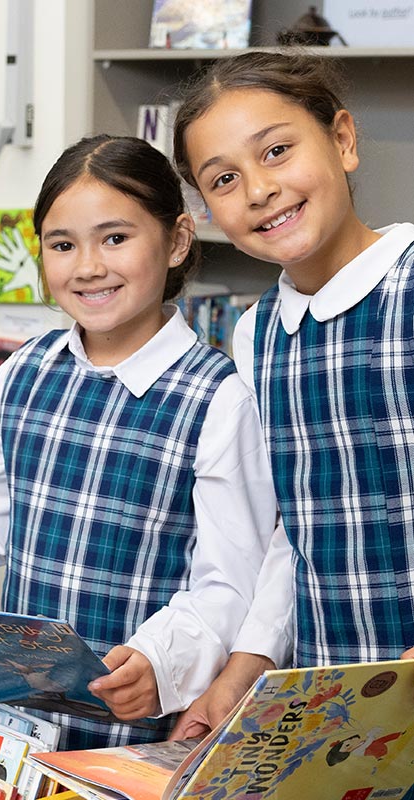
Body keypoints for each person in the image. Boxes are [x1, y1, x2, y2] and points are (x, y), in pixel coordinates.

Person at [0, 134, 293, 750]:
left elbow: (229, 582)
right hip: (12, 726)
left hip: (134, 729)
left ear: (177, 240)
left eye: (115, 238)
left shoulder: (219, 398)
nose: (88, 266)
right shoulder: (19, 373)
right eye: (63, 245)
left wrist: (159, 660)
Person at [170, 48, 414, 761]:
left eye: (277, 150)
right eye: (224, 179)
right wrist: (246, 665)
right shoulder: (259, 337)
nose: (258, 189)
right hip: (343, 703)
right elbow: (297, 528)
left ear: (342, 140)